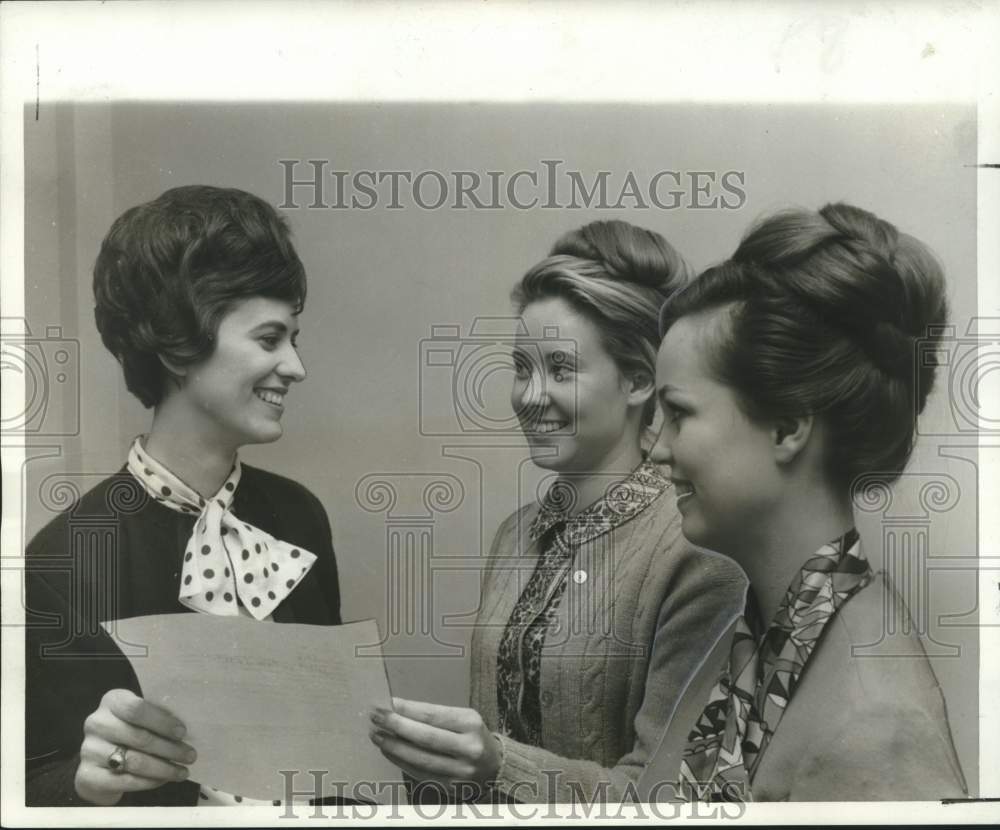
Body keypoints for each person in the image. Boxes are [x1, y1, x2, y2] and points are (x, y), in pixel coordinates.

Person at [367, 220, 749, 803]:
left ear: (639, 381)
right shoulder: (515, 536)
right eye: (521, 368)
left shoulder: (699, 552)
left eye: (561, 369)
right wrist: (432, 763)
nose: (528, 395)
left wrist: (498, 764)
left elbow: (662, 796)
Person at [25, 185, 342, 806]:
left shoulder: (300, 516)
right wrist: (90, 780)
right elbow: (29, 788)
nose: (296, 367)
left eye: (294, 340)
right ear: (178, 344)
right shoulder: (62, 559)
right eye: (270, 339)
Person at [645, 202, 968, 801]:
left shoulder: (875, 726)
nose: (655, 448)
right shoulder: (755, 636)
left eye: (678, 414)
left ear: (788, 427)